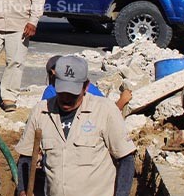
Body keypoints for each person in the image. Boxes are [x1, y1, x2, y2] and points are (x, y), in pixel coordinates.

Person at [16, 56, 136, 196]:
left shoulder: (105, 110)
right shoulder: (41, 111)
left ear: (85, 86)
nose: (66, 98)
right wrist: (22, 190)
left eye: (72, 94)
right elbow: (26, 157)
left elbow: (126, 158)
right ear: (54, 83)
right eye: (62, 92)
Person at [41, 55, 132, 112]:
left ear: (53, 74)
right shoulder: (89, 87)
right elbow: (107, 111)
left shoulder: (51, 90)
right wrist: (122, 101)